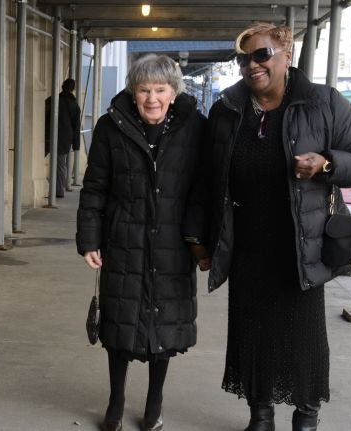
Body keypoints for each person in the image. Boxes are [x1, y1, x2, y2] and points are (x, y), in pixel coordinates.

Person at [201, 23, 351, 431]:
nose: (251, 65)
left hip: (301, 244)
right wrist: (202, 238)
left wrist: (327, 163)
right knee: (253, 332)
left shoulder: (323, 102)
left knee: (304, 339)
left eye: (261, 55)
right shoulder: (228, 109)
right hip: (247, 245)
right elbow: (209, 178)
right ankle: (260, 416)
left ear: (286, 54)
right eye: (243, 59)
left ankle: (306, 416)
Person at [76, 54, 206, 431]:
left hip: (172, 242)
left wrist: (202, 241)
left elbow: (205, 188)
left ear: (173, 91)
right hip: (123, 238)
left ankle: (155, 401)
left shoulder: (194, 127)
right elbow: (95, 187)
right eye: (144, 89)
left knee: (164, 327)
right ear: (133, 92)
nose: (152, 98)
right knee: (119, 324)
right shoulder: (109, 126)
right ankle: (116, 401)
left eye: (160, 89)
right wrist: (90, 238)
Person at [45, 78, 82, 197]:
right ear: (73, 89)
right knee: (61, 164)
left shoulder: (53, 100)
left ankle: (58, 190)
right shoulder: (74, 105)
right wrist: (76, 145)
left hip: (49, 136)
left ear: (62, 86)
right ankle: (59, 190)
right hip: (65, 138)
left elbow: (44, 114)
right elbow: (76, 127)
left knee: (59, 164)